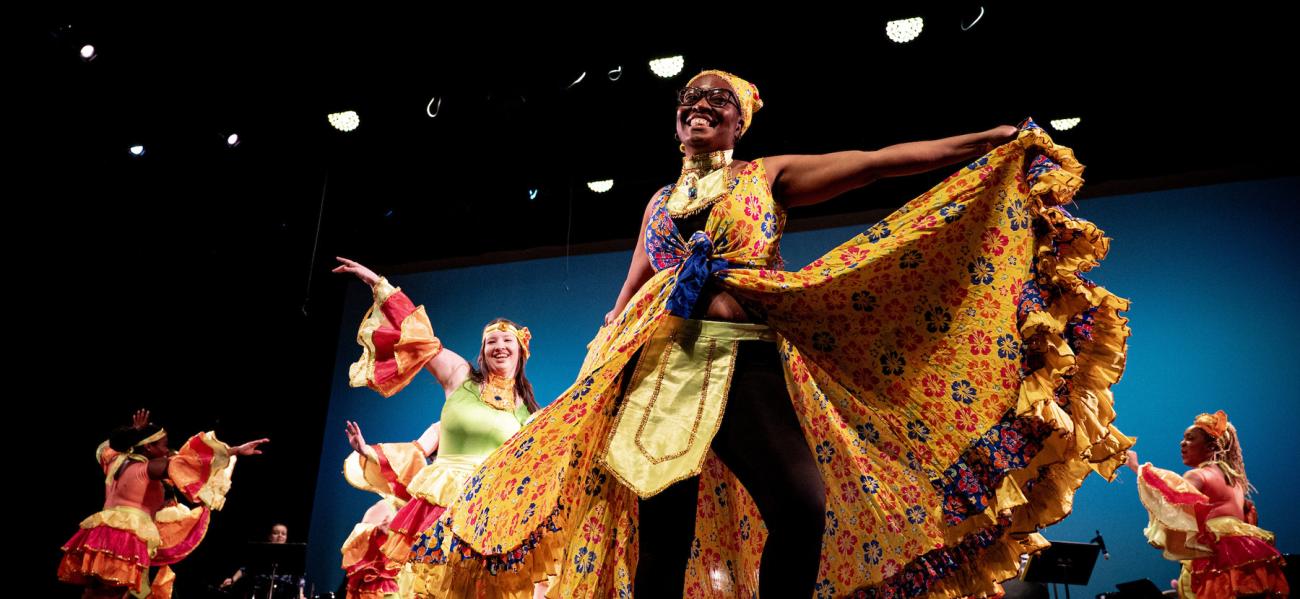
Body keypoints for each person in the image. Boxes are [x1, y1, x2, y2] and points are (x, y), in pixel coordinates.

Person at [419, 70, 1132, 598]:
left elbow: (876, 163)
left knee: (802, 506)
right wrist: (606, 346)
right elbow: (626, 296)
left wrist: (981, 140)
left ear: (739, 125)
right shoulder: (659, 202)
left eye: (717, 106)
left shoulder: (767, 176)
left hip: (747, 363)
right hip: (661, 371)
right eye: (688, 106)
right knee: (662, 535)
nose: (699, 112)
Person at [334, 257, 544, 597]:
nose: (499, 347)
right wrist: (377, 284)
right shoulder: (460, 377)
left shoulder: (526, 410)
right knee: (433, 585)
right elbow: (416, 335)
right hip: (444, 499)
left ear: (521, 351)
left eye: (507, 342)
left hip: (488, 506)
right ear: (483, 351)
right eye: (492, 341)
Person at [59, 409, 268, 598]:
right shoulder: (152, 467)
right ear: (149, 447)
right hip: (127, 535)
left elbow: (111, 443)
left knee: (96, 591)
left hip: (101, 532)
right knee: (116, 591)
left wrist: (133, 431)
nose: (168, 448)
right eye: (164, 444)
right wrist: (235, 451)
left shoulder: (113, 459)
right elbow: (193, 462)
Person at [1127, 410, 1288, 598]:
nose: (1182, 443)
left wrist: (1135, 466)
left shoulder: (1199, 475)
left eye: (1190, 439)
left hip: (1217, 558)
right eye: (1184, 438)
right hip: (1245, 558)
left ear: (1211, 446)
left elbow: (1171, 495)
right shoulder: (1235, 482)